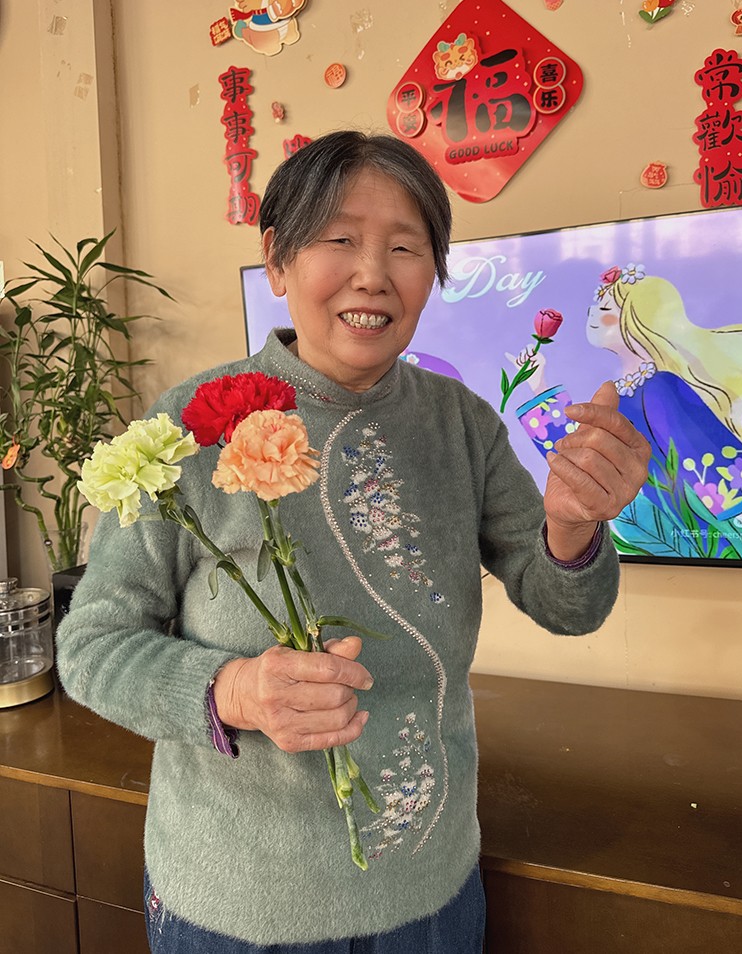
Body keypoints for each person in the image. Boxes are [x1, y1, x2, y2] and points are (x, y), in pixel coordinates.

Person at [57, 131, 650, 953]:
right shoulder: (190, 426)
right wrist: (234, 692)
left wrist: (575, 527)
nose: (373, 273)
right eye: (339, 239)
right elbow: (90, 645)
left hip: (432, 893)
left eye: (405, 248)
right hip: (240, 907)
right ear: (277, 259)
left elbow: (568, 607)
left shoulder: (461, 422)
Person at [517, 263, 742, 560]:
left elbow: (704, 453)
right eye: (593, 308)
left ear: (639, 319)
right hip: (663, 523)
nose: (593, 315)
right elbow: (576, 452)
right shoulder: (618, 394)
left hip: (705, 523)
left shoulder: (660, 387)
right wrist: (538, 384)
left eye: (605, 310)